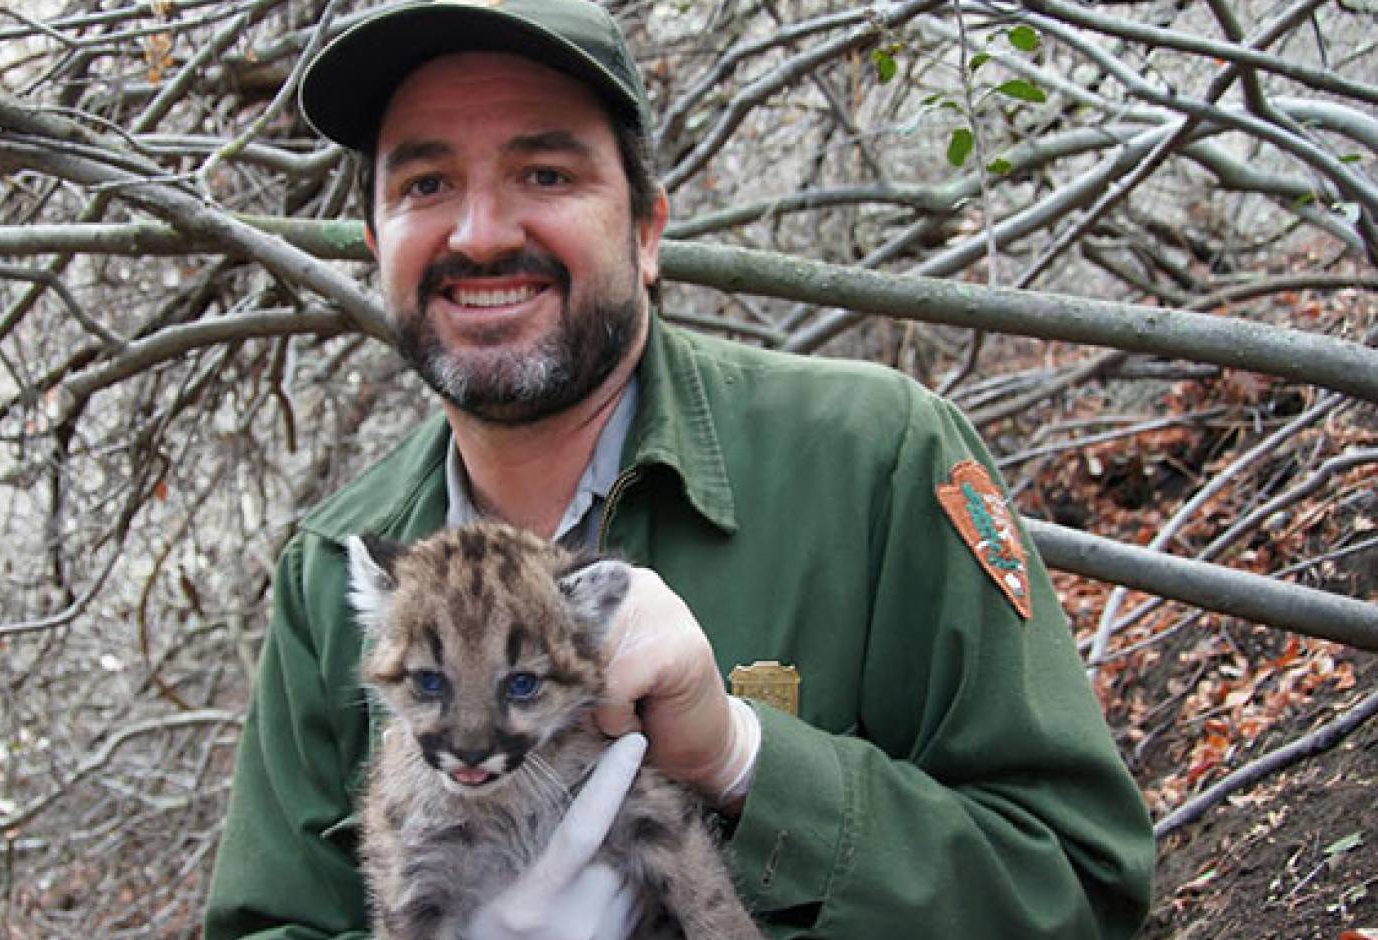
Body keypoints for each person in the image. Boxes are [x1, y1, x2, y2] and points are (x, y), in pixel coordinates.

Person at [204, 0, 1156, 936]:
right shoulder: (331, 567)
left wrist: (746, 764)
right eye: (424, 185)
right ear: (377, 247)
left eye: (544, 171)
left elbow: (1077, 885)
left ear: (648, 231)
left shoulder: (872, 455)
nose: (481, 232)